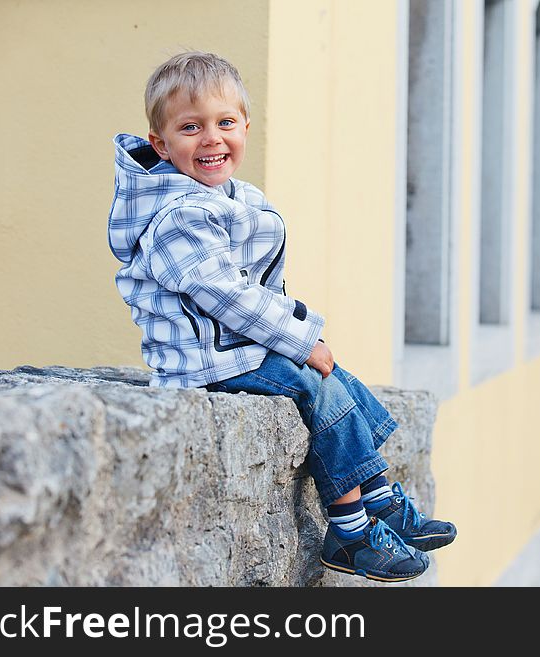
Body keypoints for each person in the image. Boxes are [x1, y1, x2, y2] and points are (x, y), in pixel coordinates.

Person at [108, 51, 455, 583]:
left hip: (232, 347)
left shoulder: (230, 198)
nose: (211, 139)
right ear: (160, 143)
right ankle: (351, 531)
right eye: (190, 127)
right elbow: (228, 297)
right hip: (202, 361)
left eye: (225, 123)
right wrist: (299, 338)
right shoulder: (178, 217)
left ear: (246, 126)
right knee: (319, 385)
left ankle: (381, 499)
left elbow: (251, 289)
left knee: (337, 379)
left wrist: (301, 340)